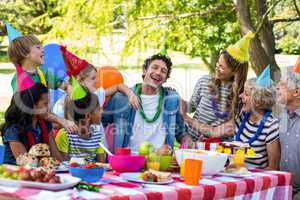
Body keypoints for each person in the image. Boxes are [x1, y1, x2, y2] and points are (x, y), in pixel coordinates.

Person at [102, 53, 188, 152]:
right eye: (154, 67)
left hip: (160, 161)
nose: (158, 72)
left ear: (165, 79)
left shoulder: (172, 100)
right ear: (144, 70)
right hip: (128, 161)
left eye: (163, 71)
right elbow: (100, 122)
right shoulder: (121, 98)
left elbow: (181, 132)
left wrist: (187, 140)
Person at [180, 32, 253, 141]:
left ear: (235, 72)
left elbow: (229, 128)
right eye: (217, 64)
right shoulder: (205, 81)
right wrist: (181, 103)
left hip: (218, 147)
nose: (217, 68)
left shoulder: (242, 95)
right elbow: (192, 106)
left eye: (222, 67)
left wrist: (187, 119)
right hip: (193, 140)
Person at [6, 24, 77, 133]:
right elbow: (34, 110)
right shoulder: (19, 80)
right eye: (38, 47)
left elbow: (65, 85)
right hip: (24, 129)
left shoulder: (44, 73)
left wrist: (72, 95)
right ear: (25, 54)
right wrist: (63, 121)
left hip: (43, 123)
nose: (43, 50)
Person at [52, 47, 139, 120]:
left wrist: (130, 93)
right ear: (80, 82)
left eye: (96, 78)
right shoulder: (64, 102)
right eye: (93, 78)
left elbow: (118, 86)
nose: (96, 81)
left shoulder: (96, 94)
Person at [0, 67, 62, 164]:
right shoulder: (14, 129)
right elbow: (27, 163)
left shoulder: (45, 124)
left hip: (42, 172)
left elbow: (56, 157)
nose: (49, 107)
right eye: (45, 104)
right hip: (17, 175)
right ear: (31, 106)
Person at [234, 69, 280, 169]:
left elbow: (273, 167)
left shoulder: (271, 126)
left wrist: (250, 177)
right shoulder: (240, 117)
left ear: (258, 101)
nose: (240, 96)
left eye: (246, 94)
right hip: (233, 174)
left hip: (256, 181)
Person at [55, 77, 105, 162]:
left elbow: (101, 164)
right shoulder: (65, 135)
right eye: (98, 109)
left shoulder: (98, 136)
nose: (102, 110)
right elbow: (64, 165)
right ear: (88, 116)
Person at [277, 62, 300, 198]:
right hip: (283, 190)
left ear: (296, 91)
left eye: (282, 84)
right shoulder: (282, 116)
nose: (277, 87)